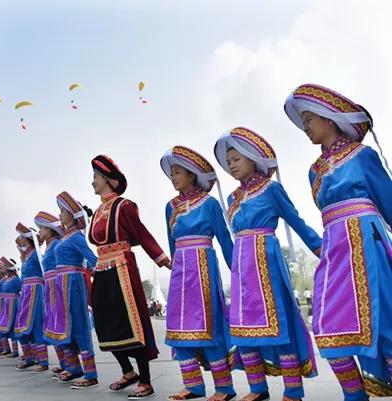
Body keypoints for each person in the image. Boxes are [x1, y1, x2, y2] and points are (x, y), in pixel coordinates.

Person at [284, 83, 392, 400]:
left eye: (309, 120)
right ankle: (353, 395)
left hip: (366, 242)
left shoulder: (363, 156)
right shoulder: (314, 170)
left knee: (382, 317)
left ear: (329, 118)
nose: (305, 127)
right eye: (303, 122)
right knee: (328, 324)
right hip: (333, 249)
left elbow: (388, 201)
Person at [214, 127, 321, 401]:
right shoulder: (232, 198)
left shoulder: (272, 189)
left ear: (253, 158)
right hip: (241, 265)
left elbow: (296, 221)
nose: (232, 165)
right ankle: (257, 389)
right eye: (229, 162)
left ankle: (293, 390)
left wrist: (321, 248)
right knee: (242, 324)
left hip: (266, 259)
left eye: (237, 158)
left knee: (278, 321)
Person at [88, 154, 170, 399]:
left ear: (108, 180)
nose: (92, 182)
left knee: (131, 321)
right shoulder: (98, 210)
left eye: (95, 177)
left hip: (122, 267)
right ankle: (127, 371)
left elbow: (141, 234)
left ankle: (145, 380)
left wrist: (163, 259)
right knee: (103, 321)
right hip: (101, 268)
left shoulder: (124, 206)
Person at [161, 145, 239, 401]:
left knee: (209, 325)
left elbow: (225, 240)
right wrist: (174, 271)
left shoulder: (210, 204)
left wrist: (238, 272)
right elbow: (173, 247)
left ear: (192, 174)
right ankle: (193, 386)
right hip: (180, 271)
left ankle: (224, 388)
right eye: (171, 173)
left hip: (203, 266)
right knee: (178, 327)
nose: (173, 178)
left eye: (177, 172)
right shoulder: (170, 207)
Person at [48, 194, 100, 388]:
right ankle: (73, 368)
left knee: (79, 326)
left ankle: (90, 374)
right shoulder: (66, 236)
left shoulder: (77, 236)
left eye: (62, 211)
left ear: (71, 214)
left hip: (73, 283)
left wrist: (103, 276)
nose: (60, 215)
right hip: (61, 284)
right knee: (65, 325)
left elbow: (92, 259)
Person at [34, 211, 69, 375]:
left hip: (56, 286)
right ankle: (64, 363)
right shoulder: (48, 245)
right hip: (48, 287)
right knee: (52, 324)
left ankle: (71, 366)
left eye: (41, 228)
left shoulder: (55, 244)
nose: (39, 232)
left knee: (59, 323)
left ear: (49, 229)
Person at [14, 222, 48, 371]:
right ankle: (30, 358)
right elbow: (17, 243)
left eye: (22, 237)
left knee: (36, 324)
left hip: (35, 291)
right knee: (22, 326)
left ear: (27, 239)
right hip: (26, 292)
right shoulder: (28, 256)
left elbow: (44, 269)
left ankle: (43, 362)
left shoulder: (36, 255)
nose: (19, 239)